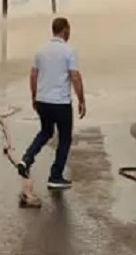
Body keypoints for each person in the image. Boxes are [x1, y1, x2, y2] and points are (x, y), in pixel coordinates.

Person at [15, 16, 85, 190]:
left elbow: (33, 75)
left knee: (45, 131)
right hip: (60, 103)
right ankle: (55, 176)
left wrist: (34, 97)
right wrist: (81, 100)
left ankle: (26, 159)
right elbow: (75, 76)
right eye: (69, 30)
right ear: (65, 30)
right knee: (64, 138)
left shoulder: (41, 51)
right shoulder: (69, 51)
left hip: (43, 101)